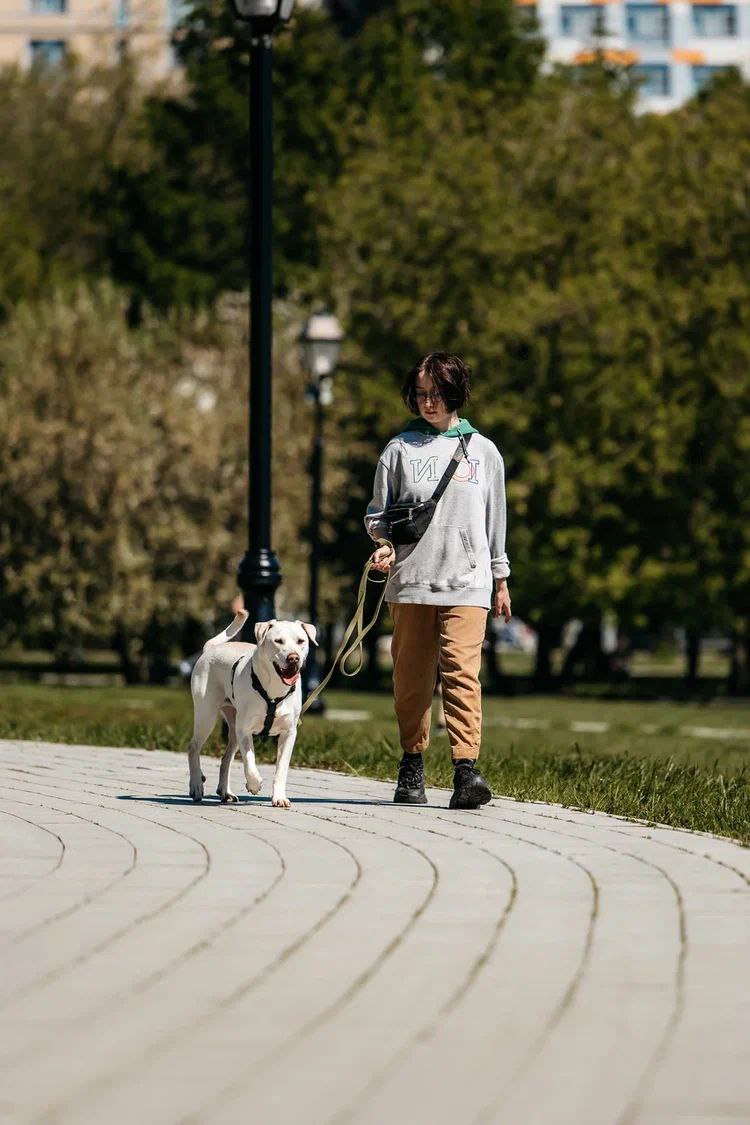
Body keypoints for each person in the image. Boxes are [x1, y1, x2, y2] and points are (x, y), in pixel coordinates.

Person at [364, 352, 512, 809]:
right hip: (411, 581)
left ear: (456, 394)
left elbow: (495, 520)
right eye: (421, 394)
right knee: (411, 678)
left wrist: (500, 577)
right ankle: (412, 764)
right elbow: (377, 515)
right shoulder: (399, 450)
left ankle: (466, 772)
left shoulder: (483, 451)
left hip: (468, 582)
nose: (428, 403)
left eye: (438, 394)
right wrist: (383, 543)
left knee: (462, 675)